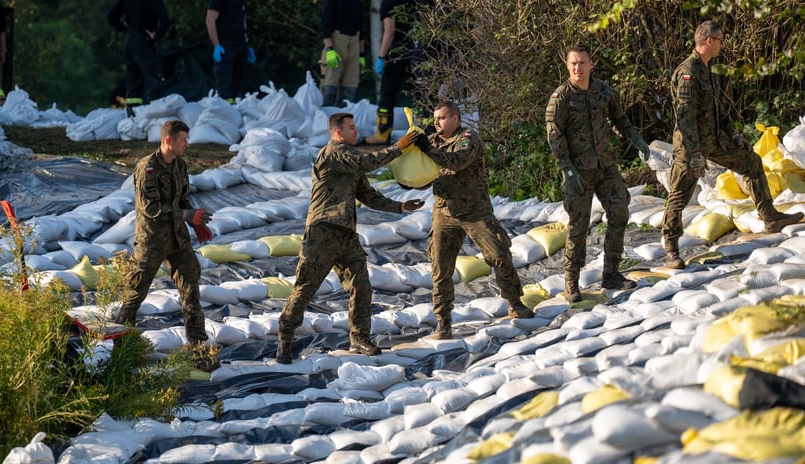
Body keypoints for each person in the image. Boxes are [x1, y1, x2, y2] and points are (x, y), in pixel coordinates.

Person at [276, 114, 422, 363]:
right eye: (351, 128)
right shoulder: (334, 153)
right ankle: (285, 340)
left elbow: (367, 194)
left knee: (361, 287)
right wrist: (399, 147)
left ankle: (360, 339)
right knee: (305, 288)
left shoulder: (350, 162)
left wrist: (400, 207)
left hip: (345, 236)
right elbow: (367, 162)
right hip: (322, 234)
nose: (356, 132)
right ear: (338, 133)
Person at [662, 21, 804, 269]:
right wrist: (694, 155)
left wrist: (735, 136)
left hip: (714, 140)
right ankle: (671, 249)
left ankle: (769, 216)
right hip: (690, 145)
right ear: (708, 41)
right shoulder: (688, 72)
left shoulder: (707, 69)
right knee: (679, 194)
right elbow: (684, 118)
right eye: (720, 40)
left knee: (751, 162)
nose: (722, 44)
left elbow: (719, 111)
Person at [412, 101, 534, 340]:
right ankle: (443, 321)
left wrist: (427, 149)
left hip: (474, 211)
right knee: (440, 266)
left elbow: (457, 162)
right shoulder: (433, 143)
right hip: (444, 211)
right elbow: (423, 177)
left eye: (442, 118)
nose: (437, 122)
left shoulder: (468, 139)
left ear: (455, 119)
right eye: (435, 119)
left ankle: (514, 302)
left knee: (498, 255)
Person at [545, 45, 649, 302]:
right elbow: (554, 136)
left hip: (605, 166)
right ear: (567, 66)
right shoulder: (561, 98)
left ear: (591, 64)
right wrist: (567, 169)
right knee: (578, 226)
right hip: (577, 171)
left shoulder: (603, 91)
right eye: (573, 64)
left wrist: (635, 138)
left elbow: (619, 119)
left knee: (619, 212)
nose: (577, 68)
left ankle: (611, 273)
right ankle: (571, 281)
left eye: (582, 63)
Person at [115, 120, 219, 371]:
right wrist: (185, 216)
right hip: (152, 240)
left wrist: (195, 221)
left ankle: (197, 348)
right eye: (183, 139)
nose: (187, 144)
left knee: (191, 290)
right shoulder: (147, 168)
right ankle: (119, 349)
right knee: (135, 293)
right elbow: (150, 208)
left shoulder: (180, 166)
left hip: (177, 239)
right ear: (168, 140)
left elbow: (182, 200)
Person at [107, 0, 172, 116]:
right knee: (154, 75)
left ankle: (132, 116)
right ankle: (158, 112)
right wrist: (156, 36)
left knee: (133, 77)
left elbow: (111, 17)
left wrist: (125, 30)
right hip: (145, 39)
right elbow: (164, 20)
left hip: (130, 40)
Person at [364, 0, 417, 145]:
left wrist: (380, 56)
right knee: (417, 94)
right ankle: (426, 132)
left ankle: (382, 134)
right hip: (414, 50)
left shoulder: (388, 2)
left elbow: (389, 31)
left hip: (396, 52)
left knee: (386, 94)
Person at [206, 0, 256, 103]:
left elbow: (242, 18)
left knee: (238, 80)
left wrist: (246, 42)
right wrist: (216, 45)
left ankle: (235, 107)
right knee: (225, 81)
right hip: (225, 43)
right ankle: (226, 109)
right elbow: (210, 20)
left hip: (240, 42)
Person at [319, 0, 366, 107]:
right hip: (337, 43)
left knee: (350, 87)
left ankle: (344, 120)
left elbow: (361, 30)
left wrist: (362, 55)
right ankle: (327, 120)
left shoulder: (357, 2)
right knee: (330, 85)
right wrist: (329, 49)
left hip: (354, 44)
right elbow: (325, 26)